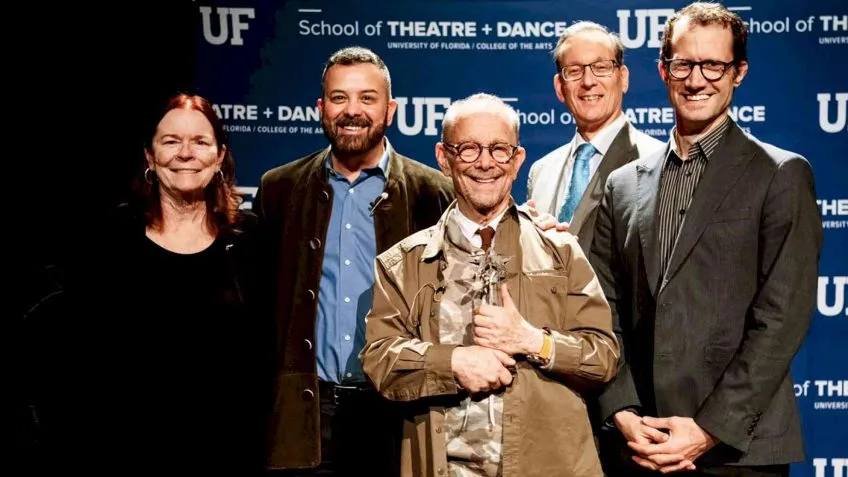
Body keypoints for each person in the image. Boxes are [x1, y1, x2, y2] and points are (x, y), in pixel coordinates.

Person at [589, 3, 823, 476]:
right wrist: (622, 412)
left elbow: (781, 318)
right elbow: (601, 307)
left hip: (738, 450)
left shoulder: (781, 174)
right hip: (640, 445)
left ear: (738, 73)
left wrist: (708, 430)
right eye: (684, 64)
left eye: (714, 64)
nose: (697, 79)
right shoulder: (622, 184)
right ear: (663, 70)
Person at [360, 93, 620, 477]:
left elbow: (603, 357)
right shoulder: (404, 263)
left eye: (499, 149)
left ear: (517, 161)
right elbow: (380, 359)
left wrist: (534, 341)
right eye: (467, 149)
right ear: (443, 158)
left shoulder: (561, 252)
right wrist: (454, 362)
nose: (485, 162)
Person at [252, 46, 454, 476]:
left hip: (398, 411)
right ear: (321, 108)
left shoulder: (432, 192)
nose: (352, 111)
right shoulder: (278, 190)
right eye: (339, 98)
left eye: (367, 98)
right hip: (305, 415)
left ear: (391, 109)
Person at [43, 93, 267, 474]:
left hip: (227, 452)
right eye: (170, 141)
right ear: (150, 156)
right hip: (124, 451)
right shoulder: (110, 239)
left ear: (219, 156)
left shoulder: (248, 239)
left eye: (200, 142)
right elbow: (75, 363)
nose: (185, 153)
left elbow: (263, 357)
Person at [527, 21, 663, 253]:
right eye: (575, 71)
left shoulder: (658, 161)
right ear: (560, 88)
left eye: (601, 67)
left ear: (623, 78)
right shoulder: (541, 171)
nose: (588, 82)